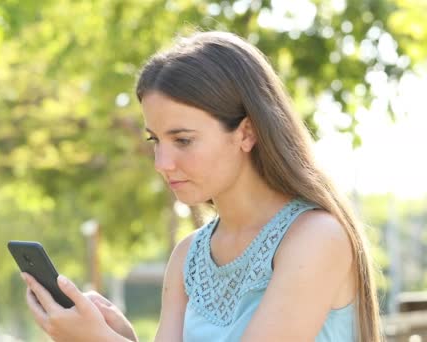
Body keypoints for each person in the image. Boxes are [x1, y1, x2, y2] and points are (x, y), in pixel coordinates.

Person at [21, 31, 382, 341]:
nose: (162, 163)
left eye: (183, 140)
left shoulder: (316, 238)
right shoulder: (188, 256)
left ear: (246, 132)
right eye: (155, 141)